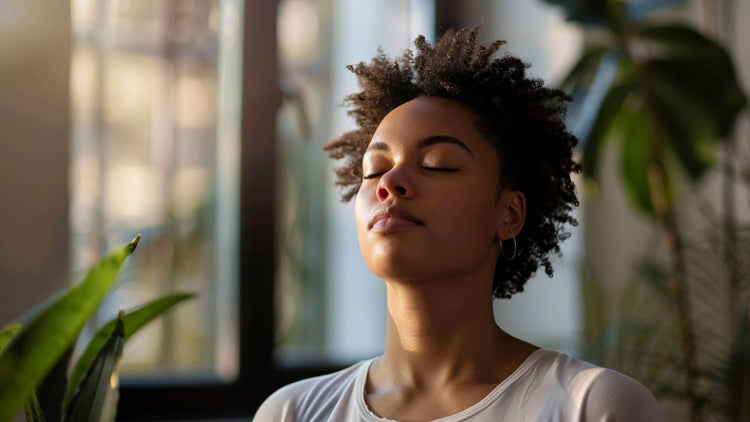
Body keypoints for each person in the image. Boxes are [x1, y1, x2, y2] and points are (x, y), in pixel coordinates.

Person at [254, 27, 665, 421]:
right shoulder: (292, 412)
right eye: (375, 169)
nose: (391, 183)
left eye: (438, 165)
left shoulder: (592, 406)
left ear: (509, 214)